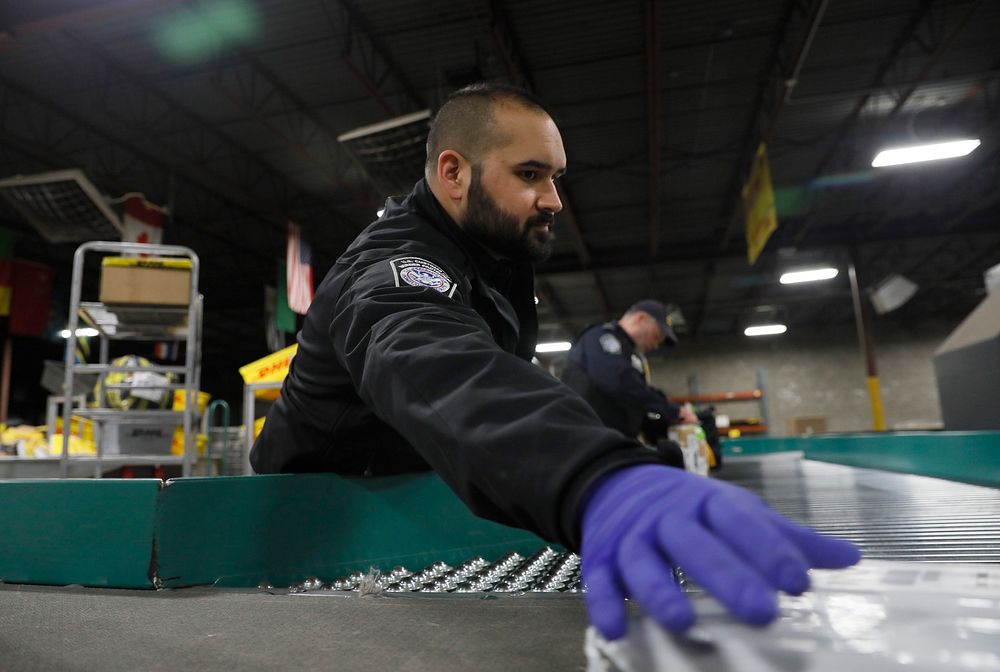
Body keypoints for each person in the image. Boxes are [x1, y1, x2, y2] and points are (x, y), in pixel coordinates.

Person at [250, 82, 860, 639]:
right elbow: (436, 367)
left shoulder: (493, 259)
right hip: (306, 548)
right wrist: (594, 476)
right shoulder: (391, 270)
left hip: (409, 515)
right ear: (454, 172)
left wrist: (623, 455)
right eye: (531, 174)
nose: (554, 200)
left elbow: (507, 382)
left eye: (556, 177)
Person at [560, 300, 698, 466]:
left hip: (612, 446)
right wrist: (671, 410)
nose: (655, 345)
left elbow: (636, 399)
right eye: (656, 335)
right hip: (587, 447)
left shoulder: (629, 355)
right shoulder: (600, 337)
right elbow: (620, 382)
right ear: (640, 319)